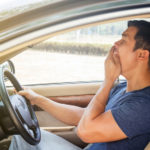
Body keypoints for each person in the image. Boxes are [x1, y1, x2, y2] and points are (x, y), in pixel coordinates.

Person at [9, 20, 150, 150]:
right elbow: (84, 116)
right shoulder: (123, 88)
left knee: (23, 140)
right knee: (23, 136)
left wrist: (108, 80)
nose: (116, 43)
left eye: (123, 40)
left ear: (142, 55)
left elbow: (85, 131)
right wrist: (38, 99)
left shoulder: (144, 105)